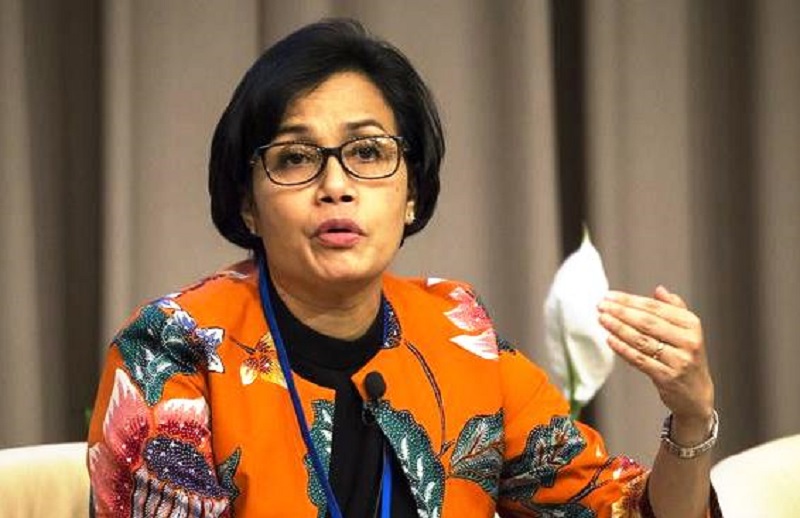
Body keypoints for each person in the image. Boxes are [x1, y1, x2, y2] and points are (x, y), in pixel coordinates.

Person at [87, 19, 721, 518]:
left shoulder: (458, 334)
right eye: (295, 157)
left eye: (368, 152)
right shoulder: (173, 349)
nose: (336, 185)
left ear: (411, 192)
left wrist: (691, 418)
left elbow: (621, 511)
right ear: (248, 204)